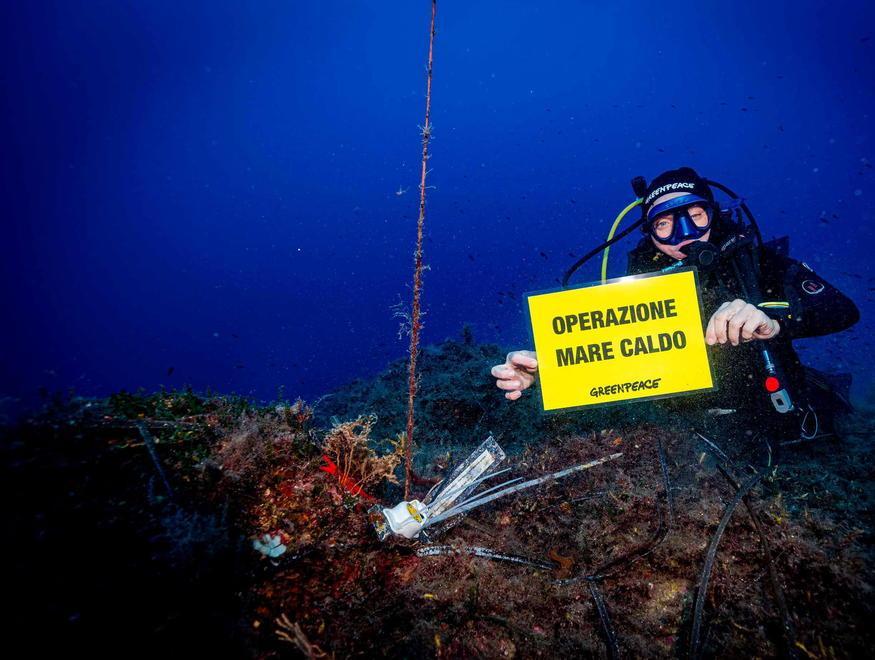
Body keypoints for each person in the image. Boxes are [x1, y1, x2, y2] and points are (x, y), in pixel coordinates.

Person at [492, 167, 859, 449]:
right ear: (649, 234)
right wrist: (550, 372)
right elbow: (613, 355)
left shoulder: (758, 261)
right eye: (665, 225)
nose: (685, 235)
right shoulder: (639, 288)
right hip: (694, 439)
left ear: (715, 215)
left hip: (783, 425)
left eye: (696, 216)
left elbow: (842, 310)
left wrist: (773, 319)